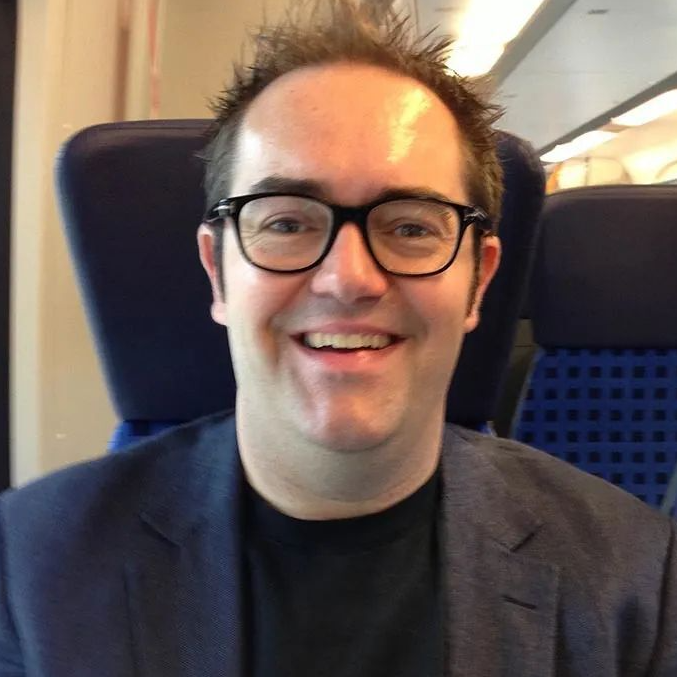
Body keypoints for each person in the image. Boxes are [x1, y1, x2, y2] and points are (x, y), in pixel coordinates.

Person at [1, 1, 675, 675]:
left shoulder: (633, 575)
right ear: (218, 272)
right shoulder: (32, 566)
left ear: (478, 281)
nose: (347, 278)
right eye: (287, 223)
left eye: (410, 226)